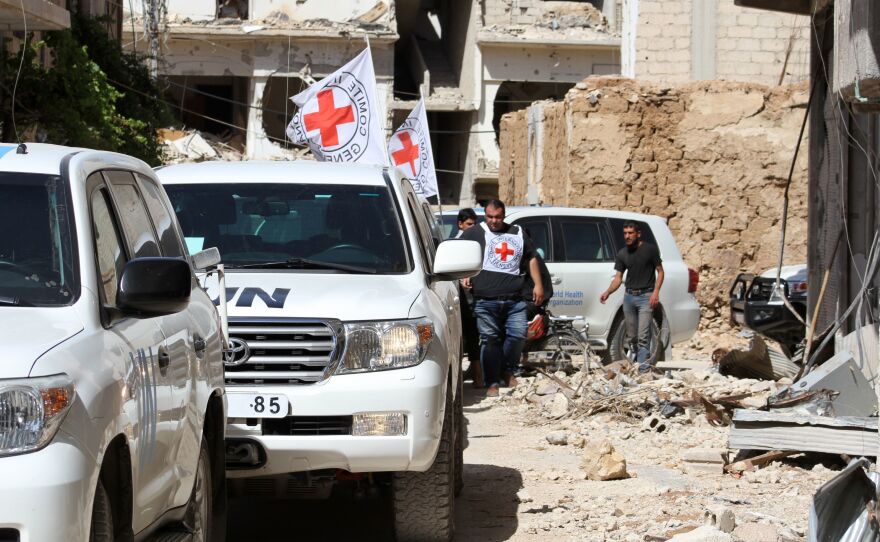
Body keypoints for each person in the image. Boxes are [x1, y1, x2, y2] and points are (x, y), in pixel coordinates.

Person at [460, 200, 544, 396]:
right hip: (485, 300)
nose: (494, 221)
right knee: (490, 341)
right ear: (484, 215)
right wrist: (463, 274)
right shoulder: (474, 233)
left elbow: (531, 257)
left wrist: (538, 284)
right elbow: (458, 254)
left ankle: (506, 371)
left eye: (498, 217)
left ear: (504, 215)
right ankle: (492, 383)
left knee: (517, 336)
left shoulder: (517, 232)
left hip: (514, 300)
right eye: (490, 217)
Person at [599, 221, 665, 373]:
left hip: (646, 297)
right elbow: (618, 278)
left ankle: (643, 369)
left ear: (638, 234)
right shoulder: (622, 253)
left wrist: (656, 292)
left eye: (630, 233)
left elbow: (660, 271)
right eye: (625, 233)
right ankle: (634, 364)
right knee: (631, 336)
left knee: (643, 335)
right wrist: (607, 292)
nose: (627, 236)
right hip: (629, 297)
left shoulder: (650, 250)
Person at [454, 207, 483, 386]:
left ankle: (477, 372)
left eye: (475, 224)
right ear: (460, 224)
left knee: (473, 334)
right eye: (469, 224)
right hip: (460, 297)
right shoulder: (456, 243)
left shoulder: (475, 242)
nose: (472, 228)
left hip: (474, 294)